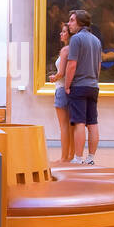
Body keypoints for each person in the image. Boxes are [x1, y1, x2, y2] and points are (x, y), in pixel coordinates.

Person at [62, 9, 101, 165]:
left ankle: (78, 158)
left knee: (79, 122)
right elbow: (98, 66)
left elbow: (72, 64)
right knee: (92, 123)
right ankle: (90, 158)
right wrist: (94, 81)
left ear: (80, 22)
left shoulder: (76, 39)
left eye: (72, 20)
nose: (69, 23)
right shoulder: (96, 40)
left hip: (78, 86)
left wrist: (67, 85)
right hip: (93, 86)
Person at [46, 22, 72, 162]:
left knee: (64, 126)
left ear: (69, 34)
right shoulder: (75, 49)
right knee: (71, 125)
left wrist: (53, 77)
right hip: (71, 88)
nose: (61, 34)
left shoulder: (65, 50)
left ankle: (64, 157)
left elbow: (61, 73)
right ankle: (71, 156)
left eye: (64, 31)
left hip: (61, 88)